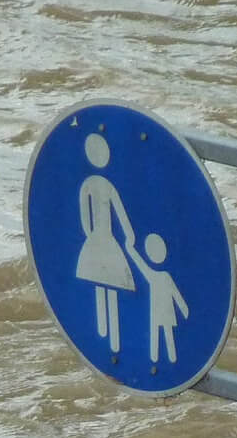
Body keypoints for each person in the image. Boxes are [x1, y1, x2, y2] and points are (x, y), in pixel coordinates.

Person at [75, 133, 136, 351]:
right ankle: (108, 339)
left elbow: (118, 212)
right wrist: (127, 235)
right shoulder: (92, 185)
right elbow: (87, 215)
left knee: (108, 283)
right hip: (102, 240)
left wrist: (127, 234)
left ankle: (110, 341)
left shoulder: (93, 184)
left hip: (101, 239)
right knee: (104, 284)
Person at [128, 233, 188, 365]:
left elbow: (175, 293)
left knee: (163, 333)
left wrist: (183, 308)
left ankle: (166, 359)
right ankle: (159, 359)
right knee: (159, 333)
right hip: (159, 310)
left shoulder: (160, 276)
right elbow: (141, 266)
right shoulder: (158, 276)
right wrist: (130, 250)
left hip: (164, 310)